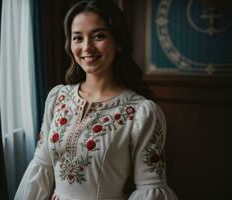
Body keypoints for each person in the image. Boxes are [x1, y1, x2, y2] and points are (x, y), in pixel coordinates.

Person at [15, 0, 179, 199]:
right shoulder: (58, 98)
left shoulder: (142, 112)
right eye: (78, 38)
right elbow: (42, 165)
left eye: (98, 36)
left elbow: (150, 188)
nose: (87, 47)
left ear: (118, 42)